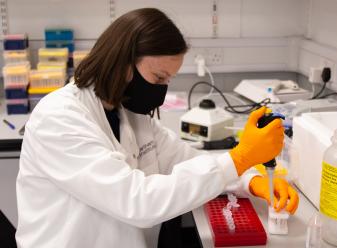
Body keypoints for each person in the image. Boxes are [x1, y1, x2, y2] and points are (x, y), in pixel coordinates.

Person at [16, 8, 298, 248]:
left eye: (168, 80)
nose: (162, 89)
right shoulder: (59, 118)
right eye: (158, 77)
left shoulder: (127, 112)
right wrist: (240, 158)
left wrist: (249, 179)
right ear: (122, 62)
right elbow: (138, 201)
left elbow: (188, 160)